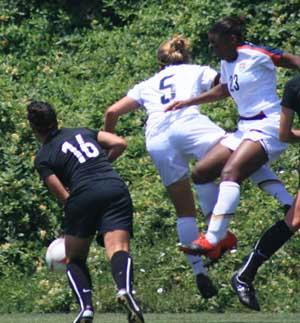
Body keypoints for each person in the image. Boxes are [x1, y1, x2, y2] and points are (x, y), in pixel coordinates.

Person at [104, 35, 293, 298]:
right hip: (191, 125)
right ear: (186, 56)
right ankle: (284, 202)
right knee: (242, 151)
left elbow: (112, 112)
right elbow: (226, 86)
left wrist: (108, 141)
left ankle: (200, 270)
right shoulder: (197, 70)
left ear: (160, 63)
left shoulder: (146, 84)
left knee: (184, 211)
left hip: (157, 137)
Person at [166, 16, 300, 261]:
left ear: (232, 39)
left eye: (215, 43)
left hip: (268, 125)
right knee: (201, 172)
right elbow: (224, 89)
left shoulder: (255, 53)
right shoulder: (225, 62)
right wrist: (188, 101)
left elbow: (293, 61)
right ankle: (227, 236)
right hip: (244, 128)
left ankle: (214, 237)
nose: (212, 48)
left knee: (231, 172)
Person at [27, 101, 144, 323]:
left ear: (33, 129)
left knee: (75, 257)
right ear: (56, 119)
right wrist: (103, 163)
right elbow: (119, 143)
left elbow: (64, 196)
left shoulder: (43, 157)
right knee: (118, 248)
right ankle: (125, 289)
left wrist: (73, 222)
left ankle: (86, 309)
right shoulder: (82, 131)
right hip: (114, 186)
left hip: (82, 195)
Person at [230, 75, 300, 311]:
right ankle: (245, 275)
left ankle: (244, 275)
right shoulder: (295, 86)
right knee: (295, 219)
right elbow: (284, 134)